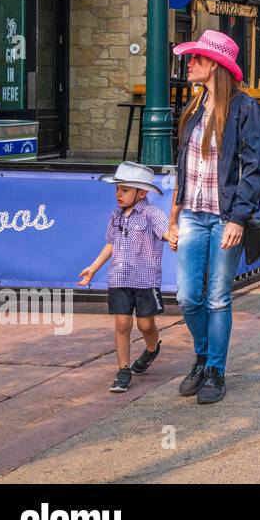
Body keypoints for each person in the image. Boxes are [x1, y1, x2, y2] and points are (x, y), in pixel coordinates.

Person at [167, 30, 260, 405]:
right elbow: (183, 170)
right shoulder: (193, 109)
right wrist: (174, 219)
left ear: (214, 65)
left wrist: (238, 219)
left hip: (225, 216)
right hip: (193, 215)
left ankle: (215, 371)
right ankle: (203, 356)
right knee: (188, 296)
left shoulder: (244, 108)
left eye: (196, 59)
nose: (189, 64)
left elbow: (254, 168)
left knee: (218, 299)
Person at [79, 162, 170, 393]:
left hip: (145, 280)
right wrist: (93, 268)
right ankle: (123, 370)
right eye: (117, 189)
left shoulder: (152, 214)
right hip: (119, 278)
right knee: (122, 323)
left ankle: (151, 349)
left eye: (125, 190)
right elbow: (111, 243)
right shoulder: (115, 216)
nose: (119, 194)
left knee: (145, 324)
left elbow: (166, 231)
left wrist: (174, 237)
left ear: (142, 192)